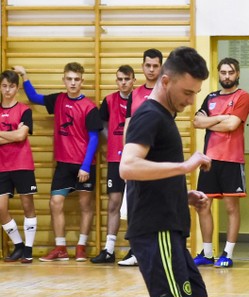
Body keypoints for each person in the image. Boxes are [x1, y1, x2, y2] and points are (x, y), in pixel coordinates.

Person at [92, 47, 239, 297]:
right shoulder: (148, 116)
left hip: (169, 226)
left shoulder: (165, 118)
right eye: (188, 93)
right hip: (154, 232)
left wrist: (183, 193)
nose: (192, 101)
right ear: (166, 80)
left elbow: (150, 173)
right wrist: (185, 167)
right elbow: (128, 167)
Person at [15, 62, 102, 262]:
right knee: (55, 202)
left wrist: (86, 166)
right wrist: (24, 76)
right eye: (69, 79)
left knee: (85, 205)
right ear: (64, 80)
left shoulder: (89, 107)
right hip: (63, 164)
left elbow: (94, 138)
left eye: (76, 79)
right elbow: (35, 98)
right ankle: (60, 247)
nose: (73, 83)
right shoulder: (58, 100)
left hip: (84, 165)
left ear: (82, 81)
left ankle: (81, 246)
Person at [192, 57, 249, 268]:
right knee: (203, 204)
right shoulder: (210, 98)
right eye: (224, 72)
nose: (227, 76)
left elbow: (232, 125)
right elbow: (197, 121)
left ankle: (228, 253)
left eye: (231, 72)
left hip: (232, 160)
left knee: (231, 207)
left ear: (237, 74)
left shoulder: (243, 97)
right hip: (210, 159)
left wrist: (211, 121)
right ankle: (207, 253)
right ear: (219, 74)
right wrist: (220, 118)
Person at [118, 48, 163, 267]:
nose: (151, 69)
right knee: (134, 205)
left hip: (156, 160)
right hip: (136, 159)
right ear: (143, 66)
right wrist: (126, 155)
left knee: (155, 205)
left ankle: (154, 250)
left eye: (155, 66)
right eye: (148, 65)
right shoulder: (134, 95)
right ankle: (136, 250)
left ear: (161, 67)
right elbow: (128, 125)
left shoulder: (165, 91)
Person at [91, 65, 135, 264]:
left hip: (135, 160)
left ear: (133, 79)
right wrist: (113, 142)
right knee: (114, 203)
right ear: (116, 81)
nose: (123, 82)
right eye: (120, 79)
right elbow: (102, 126)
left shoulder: (140, 99)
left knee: (135, 205)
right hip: (114, 161)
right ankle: (109, 250)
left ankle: (136, 249)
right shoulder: (109, 100)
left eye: (127, 79)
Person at [0, 69, 37, 263]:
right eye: (4, 86)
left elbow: (21, 136)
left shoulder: (25, 110)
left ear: (17, 88)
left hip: (22, 163)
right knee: (1, 208)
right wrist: (13, 134)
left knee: (27, 204)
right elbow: (15, 135)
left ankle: (29, 249)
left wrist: (9, 135)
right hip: (1, 166)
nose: (7, 90)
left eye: (11, 86)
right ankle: (19, 246)